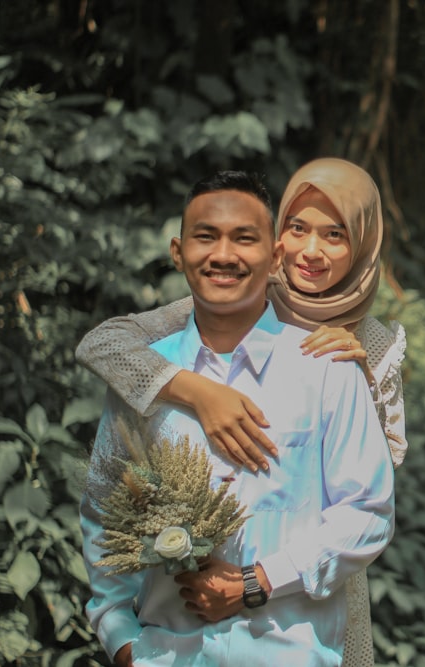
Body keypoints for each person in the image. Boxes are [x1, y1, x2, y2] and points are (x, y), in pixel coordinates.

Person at [76, 158, 406, 666]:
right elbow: (104, 511)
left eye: (335, 234)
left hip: (301, 631)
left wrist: (254, 582)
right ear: (178, 252)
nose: (311, 252)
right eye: (299, 229)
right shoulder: (157, 361)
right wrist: (122, 642)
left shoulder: (341, 361)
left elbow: (367, 504)